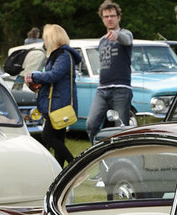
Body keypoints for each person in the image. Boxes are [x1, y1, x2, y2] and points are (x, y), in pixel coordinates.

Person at [26, 24, 80, 167]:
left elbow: (54, 76)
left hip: (58, 104)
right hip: (56, 102)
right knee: (58, 139)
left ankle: (76, 165)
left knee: (47, 137)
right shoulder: (58, 55)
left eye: (46, 38)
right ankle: (61, 173)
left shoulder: (63, 55)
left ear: (53, 39)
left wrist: (34, 76)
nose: (45, 42)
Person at [86, 1, 133, 143]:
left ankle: (121, 154)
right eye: (106, 16)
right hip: (102, 89)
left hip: (121, 89)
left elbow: (127, 40)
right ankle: (97, 151)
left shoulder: (125, 34)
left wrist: (117, 35)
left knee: (121, 129)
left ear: (119, 17)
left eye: (112, 16)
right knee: (91, 124)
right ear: (102, 19)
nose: (109, 19)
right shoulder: (102, 40)